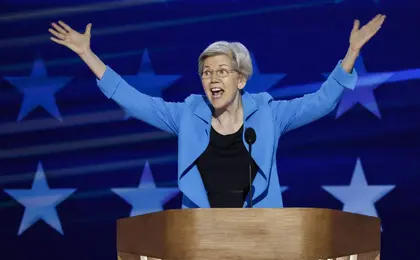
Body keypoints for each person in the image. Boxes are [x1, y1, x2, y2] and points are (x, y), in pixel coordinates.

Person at [48, 14, 386, 209]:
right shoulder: (188, 114)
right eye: (206, 73)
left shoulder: (268, 114)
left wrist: (351, 52)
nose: (212, 79)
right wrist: (86, 55)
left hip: (262, 241)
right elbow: (134, 100)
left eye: (221, 71)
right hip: (202, 242)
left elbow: (322, 101)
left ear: (240, 79)